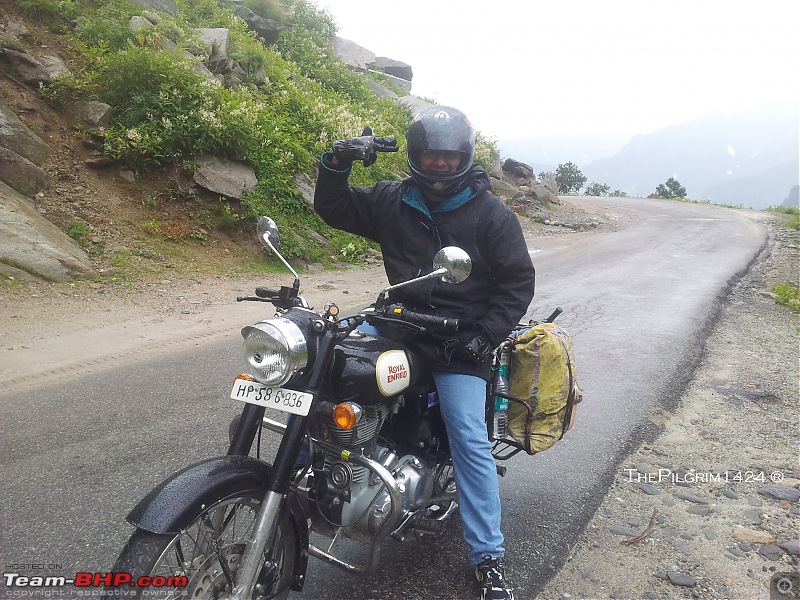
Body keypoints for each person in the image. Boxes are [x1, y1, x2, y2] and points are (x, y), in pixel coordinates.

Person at [313, 106, 535, 600]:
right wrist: (336, 163)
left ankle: (488, 557)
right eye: (431, 155)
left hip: (461, 339)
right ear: (416, 156)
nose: (440, 164)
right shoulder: (393, 199)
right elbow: (335, 209)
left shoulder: (491, 213)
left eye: (449, 156)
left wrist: (486, 335)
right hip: (400, 323)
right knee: (324, 374)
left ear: (464, 157)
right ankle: (318, 481)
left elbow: (518, 283)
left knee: (468, 439)